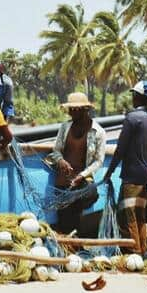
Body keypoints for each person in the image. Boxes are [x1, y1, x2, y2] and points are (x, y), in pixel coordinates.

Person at [101, 80, 147, 252]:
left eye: (134, 94)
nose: (132, 97)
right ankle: (142, 251)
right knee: (140, 216)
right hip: (145, 176)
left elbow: (120, 150)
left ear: (138, 97)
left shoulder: (132, 118)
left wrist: (109, 172)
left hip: (131, 176)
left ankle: (134, 253)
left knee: (129, 217)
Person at [46, 92, 108, 238]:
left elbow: (99, 161)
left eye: (75, 110)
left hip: (81, 180)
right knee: (63, 220)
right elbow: (56, 151)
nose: (72, 113)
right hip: (63, 181)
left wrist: (82, 175)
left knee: (79, 211)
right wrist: (61, 161)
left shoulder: (98, 132)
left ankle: (76, 245)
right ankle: (66, 250)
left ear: (85, 110)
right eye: (70, 110)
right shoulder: (65, 127)